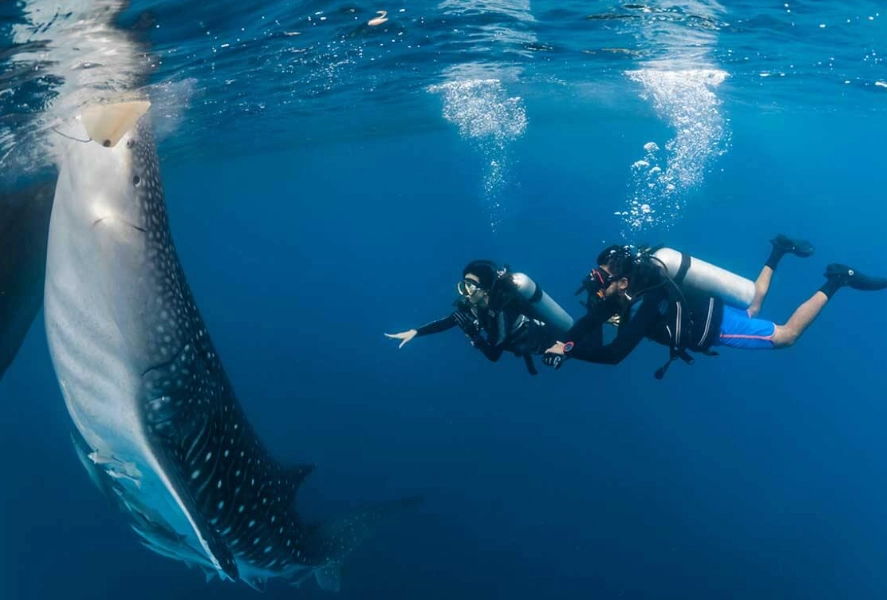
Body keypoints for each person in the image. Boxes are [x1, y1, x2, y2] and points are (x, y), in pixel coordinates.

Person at [542, 235, 887, 378]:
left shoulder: (646, 300)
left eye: (604, 283)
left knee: (787, 336)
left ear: (624, 281)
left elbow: (615, 354)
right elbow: (591, 321)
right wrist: (564, 343)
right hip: (709, 311)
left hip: (714, 327)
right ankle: (778, 250)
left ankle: (838, 280)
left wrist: (570, 352)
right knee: (753, 306)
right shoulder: (637, 290)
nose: (600, 293)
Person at [385, 260, 558, 375]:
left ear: (485, 289)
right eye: (463, 287)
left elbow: (494, 355)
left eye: (469, 286)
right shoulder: (476, 306)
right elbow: (448, 321)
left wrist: (475, 336)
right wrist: (415, 332)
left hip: (546, 342)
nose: (465, 293)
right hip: (521, 344)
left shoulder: (504, 310)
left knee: (574, 348)